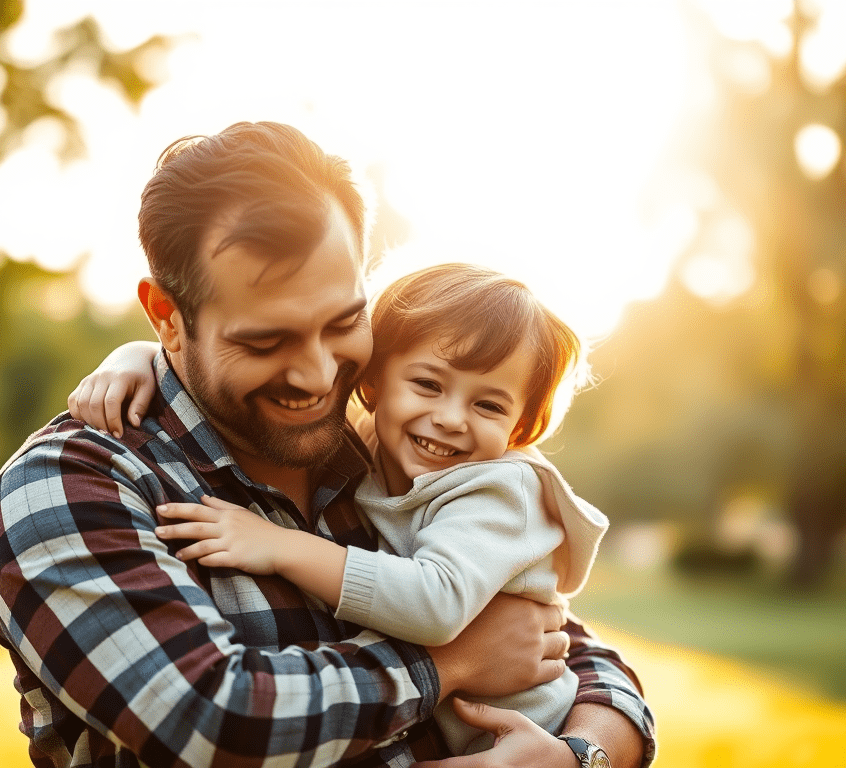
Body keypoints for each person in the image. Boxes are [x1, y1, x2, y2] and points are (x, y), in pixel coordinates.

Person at [0, 121, 655, 768]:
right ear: (168, 316)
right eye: (265, 340)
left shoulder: (380, 448)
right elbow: (216, 724)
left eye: (343, 322)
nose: (318, 375)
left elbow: (553, 640)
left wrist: (581, 755)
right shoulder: (75, 484)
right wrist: (447, 665)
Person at [74, 263, 610, 757]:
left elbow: (437, 602)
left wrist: (281, 546)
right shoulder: (377, 446)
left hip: (519, 742)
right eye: (427, 384)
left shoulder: (500, 491)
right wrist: (140, 354)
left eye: (489, 404)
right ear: (372, 382)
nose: (449, 418)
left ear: (521, 428)